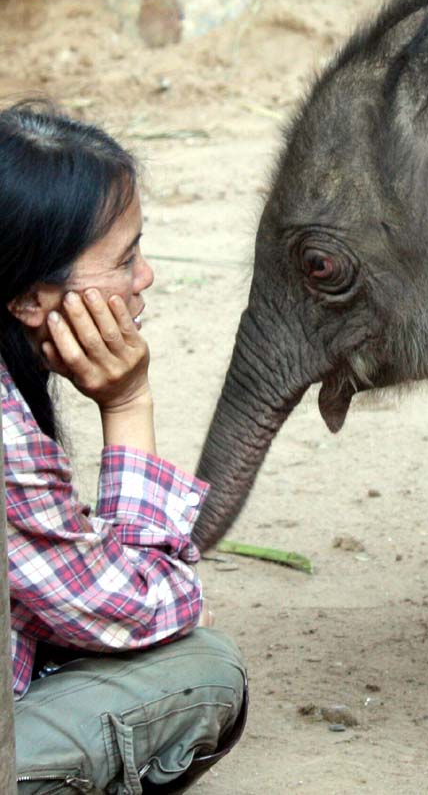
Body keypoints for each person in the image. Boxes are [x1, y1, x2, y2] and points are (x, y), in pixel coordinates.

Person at [1, 101, 247, 794]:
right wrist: (127, 403)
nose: (145, 278)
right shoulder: (7, 437)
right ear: (30, 298)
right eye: (125, 258)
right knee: (203, 671)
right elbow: (148, 606)